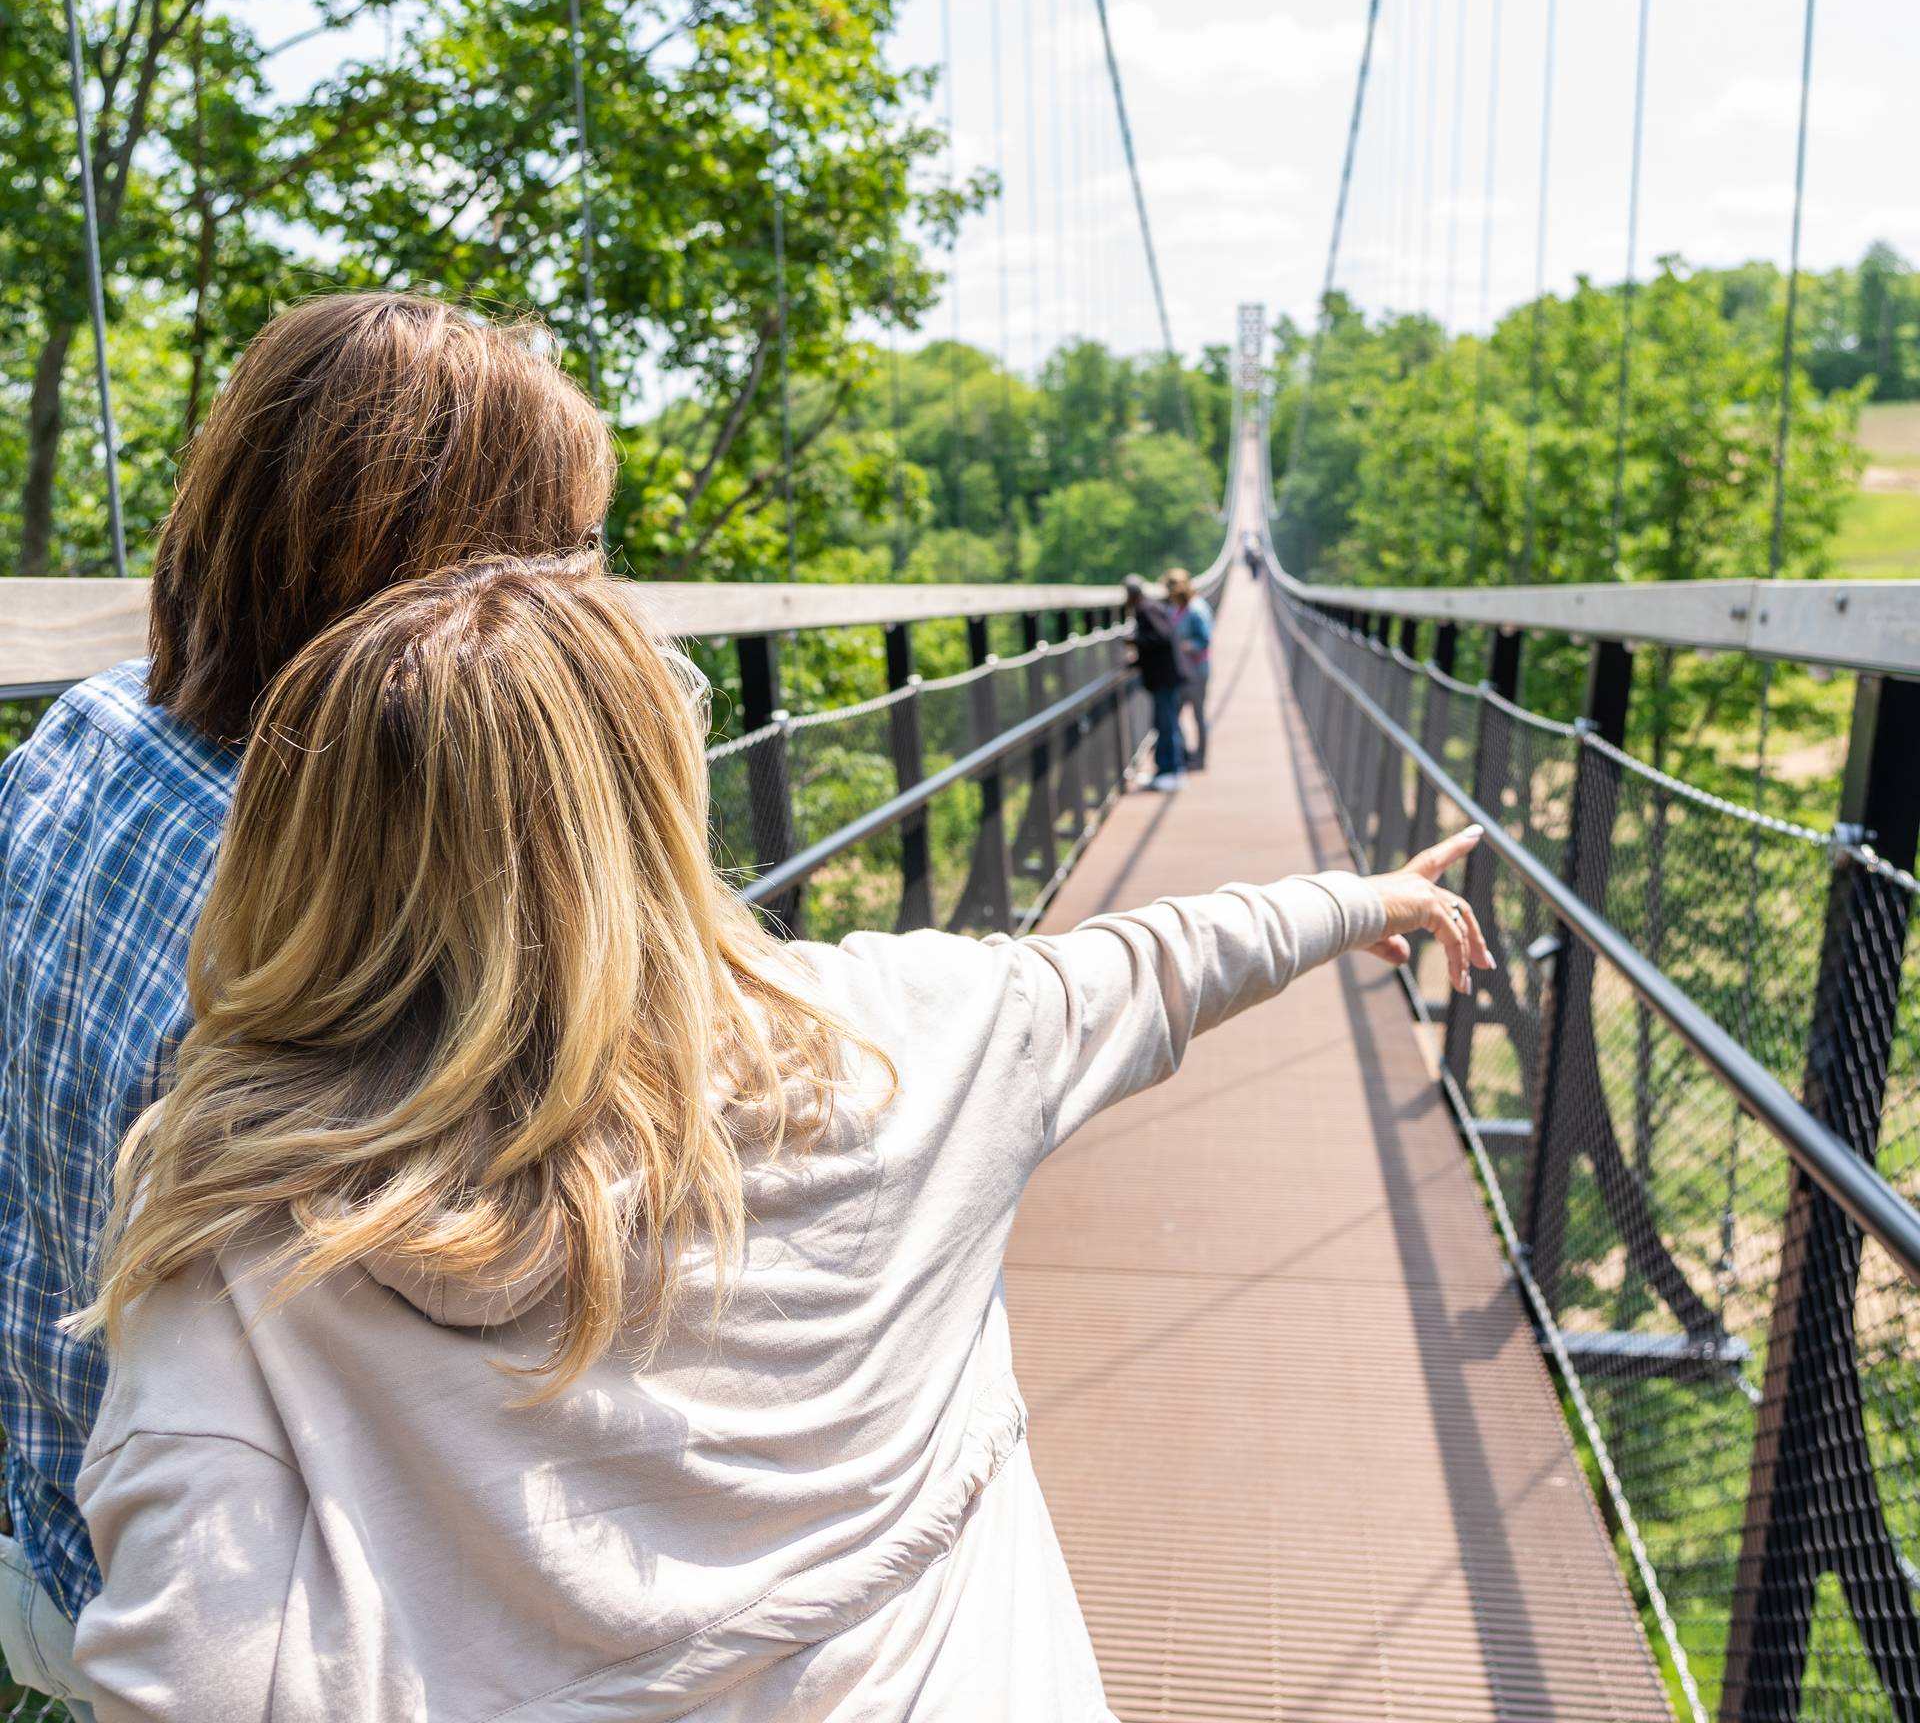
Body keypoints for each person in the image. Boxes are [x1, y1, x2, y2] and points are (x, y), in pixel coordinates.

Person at [68, 556, 1493, 1722]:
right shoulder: (908, 1035)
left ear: (299, 844)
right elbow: (1160, 961)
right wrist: (1361, 901)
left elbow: (176, 1682)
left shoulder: (233, 1216)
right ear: (663, 800)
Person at [0, 293, 616, 1717]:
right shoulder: (365, 922)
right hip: (227, 1623)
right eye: (576, 552)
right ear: (466, 601)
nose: (600, 598)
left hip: (48, 1519)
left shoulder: (78, 727)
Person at [1122, 572, 1187, 791]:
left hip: (1165, 677)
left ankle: (1171, 771)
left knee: (1166, 724)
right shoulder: (1152, 606)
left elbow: (1162, 637)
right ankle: (1165, 770)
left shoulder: (1145, 609)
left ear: (1132, 594)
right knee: (1164, 723)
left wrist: (1134, 640)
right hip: (1166, 675)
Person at [1163, 567, 1214, 772]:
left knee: (1198, 715)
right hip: (1182, 670)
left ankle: (1200, 758)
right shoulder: (1174, 609)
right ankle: (1184, 754)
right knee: (1173, 713)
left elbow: (1205, 640)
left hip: (1197, 670)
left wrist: (1182, 646)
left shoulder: (1196, 609)